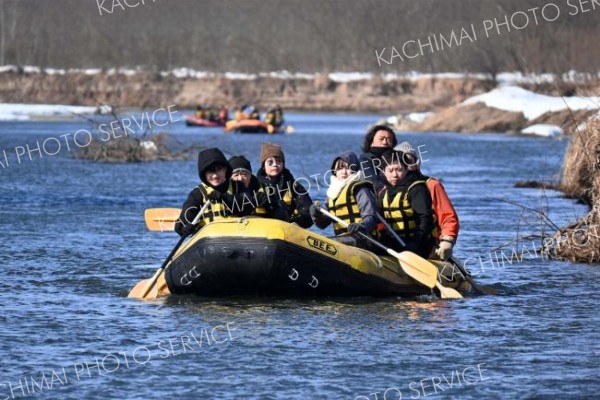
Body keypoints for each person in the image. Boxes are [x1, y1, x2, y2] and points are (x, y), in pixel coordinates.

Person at [174, 148, 262, 237]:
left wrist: (223, 198)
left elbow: (247, 206)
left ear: (225, 169)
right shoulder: (198, 193)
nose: (215, 175)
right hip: (210, 240)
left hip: (236, 236)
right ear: (204, 174)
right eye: (210, 171)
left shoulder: (238, 186)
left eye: (218, 169)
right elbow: (180, 225)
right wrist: (185, 228)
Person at [394, 142, 460, 261]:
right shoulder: (388, 190)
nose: (407, 166)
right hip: (398, 242)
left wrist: (447, 241)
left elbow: (448, 217)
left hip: (428, 245)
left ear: (417, 163)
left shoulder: (432, 186)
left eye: (409, 161)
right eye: (401, 162)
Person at [309, 151, 378, 247]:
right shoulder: (333, 192)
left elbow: (371, 216)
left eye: (348, 168)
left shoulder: (360, 188)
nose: (344, 172)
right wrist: (316, 215)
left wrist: (361, 226)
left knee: (324, 242)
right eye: (340, 168)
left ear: (355, 169)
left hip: (363, 238)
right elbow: (323, 224)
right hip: (343, 238)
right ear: (335, 171)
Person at [379, 150, 435, 259]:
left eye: (399, 170)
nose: (395, 175)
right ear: (384, 171)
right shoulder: (383, 193)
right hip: (394, 242)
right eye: (390, 170)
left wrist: (415, 244)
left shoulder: (416, 189)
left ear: (406, 169)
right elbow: (377, 219)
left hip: (418, 244)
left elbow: (426, 220)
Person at [256, 142, 313, 228]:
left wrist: (296, 222)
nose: (275, 165)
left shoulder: (294, 187)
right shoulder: (254, 186)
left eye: (278, 161)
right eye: (270, 162)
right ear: (264, 166)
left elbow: (308, 213)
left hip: (287, 229)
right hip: (260, 229)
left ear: (283, 164)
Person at [359, 125, 398, 193]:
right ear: (371, 142)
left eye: (389, 139)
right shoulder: (366, 159)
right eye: (381, 139)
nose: (385, 142)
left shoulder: (397, 158)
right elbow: (371, 180)